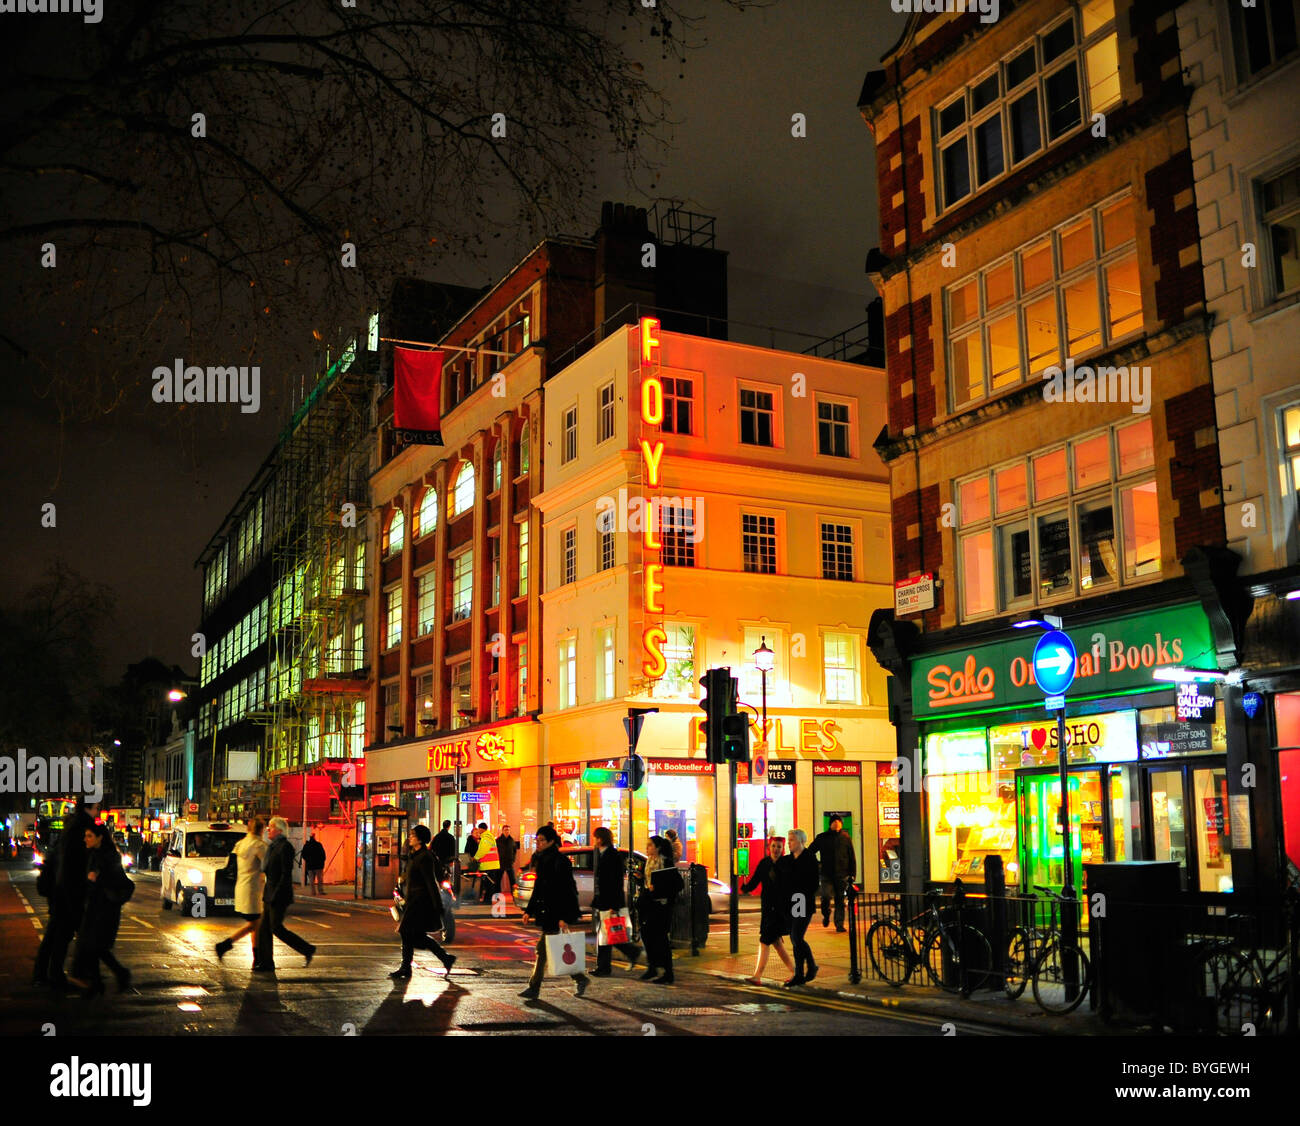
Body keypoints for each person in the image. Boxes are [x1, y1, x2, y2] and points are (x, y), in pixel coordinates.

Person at [518, 824, 589, 1000]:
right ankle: (580, 978)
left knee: (543, 951)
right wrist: (529, 910)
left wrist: (565, 917)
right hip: (547, 911)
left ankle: (534, 987)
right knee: (551, 950)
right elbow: (539, 888)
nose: (538, 843)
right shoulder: (542, 860)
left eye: (542, 840)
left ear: (551, 841)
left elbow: (567, 890)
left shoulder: (560, 861)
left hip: (556, 912)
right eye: (537, 840)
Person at [67, 823, 133, 996]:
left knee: (95, 947)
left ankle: (110, 978)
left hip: (105, 911)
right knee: (94, 948)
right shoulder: (93, 854)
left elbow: (122, 883)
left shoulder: (109, 857)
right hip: (93, 909)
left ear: (99, 838)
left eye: (89, 836)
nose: (85, 839)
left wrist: (97, 879)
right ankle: (103, 980)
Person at [33, 802, 94, 987]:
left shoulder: (67, 834)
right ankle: (55, 973)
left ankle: (46, 973)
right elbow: (72, 866)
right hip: (66, 892)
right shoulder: (76, 832)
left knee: (56, 934)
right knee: (62, 934)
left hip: (60, 891)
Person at [389, 824, 456, 980]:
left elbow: (431, 883)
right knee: (413, 935)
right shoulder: (415, 854)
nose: (410, 838)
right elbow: (407, 876)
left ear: (420, 839)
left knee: (407, 932)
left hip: (420, 902)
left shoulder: (425, 857)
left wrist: (438, 905)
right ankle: (444, 958)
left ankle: (407, 967)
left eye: (413, 835)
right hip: (412, 900)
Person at [254, 817, 316, 972]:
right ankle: (266, 963)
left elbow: (285, 874)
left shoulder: (285, 847)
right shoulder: (273, 846)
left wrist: (276, 893)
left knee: (275, 928)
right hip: (269, 893)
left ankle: (307, 949)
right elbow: (267, 869)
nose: (268, 829)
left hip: (279, 894)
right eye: (268, 827)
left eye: (271, 827)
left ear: (280, 830)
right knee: (264, 929)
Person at [741, 835, 795, 985]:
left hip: (780, 908)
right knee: (776, 943)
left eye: (779, 846)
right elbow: (755, 879)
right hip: (767, 906)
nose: (776, 849)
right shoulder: (764, 863)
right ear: (769, 847)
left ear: (782, 849)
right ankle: (795, 971)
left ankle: (757, 975)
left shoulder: (785, 864)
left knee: (765, 939)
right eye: (773, 846)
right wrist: (745, 888)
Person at [215, 817, 268, 967]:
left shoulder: (240, 844)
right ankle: (225, 944)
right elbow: (267, 864)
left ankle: (256, 959)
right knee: (255, 924)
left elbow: (228, 864)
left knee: (254, 924)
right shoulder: (259, 846)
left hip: (241, 887)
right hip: (254, 889)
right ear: (261, 830)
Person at [591, 827, 640, 976]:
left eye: (595, 838)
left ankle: (605, 967)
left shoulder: (611, 855)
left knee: (607, 935)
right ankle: (630, 953)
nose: (594, 841)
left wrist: (613, 905)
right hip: (605, 901)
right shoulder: (605, 854)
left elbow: (615, 882)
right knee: (607, 934)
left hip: (609, 901)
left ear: (600, 839)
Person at [636, 836, 683, 985]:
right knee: (646, 934)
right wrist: (640, 878)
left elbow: (677, 883)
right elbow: (647, 882)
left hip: (662, 906)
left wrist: (659, 888)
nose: (647, 848)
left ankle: (668, 973)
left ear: (658, 848)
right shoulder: (648, 862)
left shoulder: (665, 862)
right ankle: (653, 966)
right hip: (649, 904)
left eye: (650, 845)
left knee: (661, 938)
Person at [778, 829, 820, 988]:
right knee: (795, 939)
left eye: (792, 840)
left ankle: (811, 965)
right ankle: (800, 974)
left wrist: (800, 892)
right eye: (788, 840)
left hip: (801, 900)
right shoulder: (787, 860)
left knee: (796, 936)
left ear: (801, 842)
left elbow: (814, 884)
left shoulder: (809, 859)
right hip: (789, 903)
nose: (789, 843)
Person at [809, 816, 856, 932]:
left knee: (840, 900)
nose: (837, 823)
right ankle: (826, 913)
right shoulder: (822, 837)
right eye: (834, 821)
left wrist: (852, 873)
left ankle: (839, 924)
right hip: (826, 874)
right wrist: (817, 864)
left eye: (839, 821)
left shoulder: (846, 838)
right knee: (825, 896)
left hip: (842, 874)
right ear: (830, 824)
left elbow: (851, 856)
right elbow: (810, 851)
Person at [475, 822, 500, 902]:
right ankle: (488, 898)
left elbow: (483, 850)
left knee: (489, 884)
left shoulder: (486, 837)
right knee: (489, 883)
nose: (478, 830)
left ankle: (488, 899)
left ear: (482, 829)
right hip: (490, 865)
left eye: (478, 829)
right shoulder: (487, 836)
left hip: (489, 865)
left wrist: (476, 858)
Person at [300, 831, 326, 896]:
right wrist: (322, 862)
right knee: (320, 879)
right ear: (314, 837)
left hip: (310, 865)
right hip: (318, 865)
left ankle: (313, 892)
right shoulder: (318, 845)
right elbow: (323, 855)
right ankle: (320, 891)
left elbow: (303, 855)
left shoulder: (306, 846)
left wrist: (308, 860)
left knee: (311, 880)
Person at [496, 824, 518, 896]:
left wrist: (513, 860)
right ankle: (497, 895)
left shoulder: (511, 840)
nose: (507, 831)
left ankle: (514, 895)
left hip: (509, 863)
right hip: (500, 863)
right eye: (505, 830)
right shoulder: (498, 840)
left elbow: (514, 851)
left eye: (508, 830)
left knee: (513, 880)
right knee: (498, 880)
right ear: (502, 831)